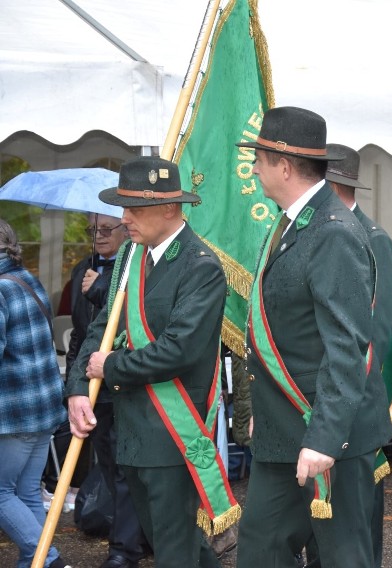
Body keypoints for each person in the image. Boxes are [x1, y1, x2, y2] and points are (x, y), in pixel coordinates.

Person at [234, 106, 392, 567]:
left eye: (259, 160)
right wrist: (263, 408)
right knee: (261, 548)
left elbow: (347, 348)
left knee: (343, 556)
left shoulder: (332, 231)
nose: (254, 169)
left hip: (327, 433)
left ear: (284, 166)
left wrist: (324, 437)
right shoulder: (291, 223)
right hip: (283, 424)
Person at [66, 157, 235, 568]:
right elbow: (100, 328)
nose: (124, 220)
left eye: (133, 210)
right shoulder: (130, 257)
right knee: (168, 540)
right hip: (131, 429)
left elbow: (179, 349)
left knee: (174, 548)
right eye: (122, 209)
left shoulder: (201, 266)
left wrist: (111, 368)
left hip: (172, 432)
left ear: (169, 208)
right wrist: (76, 390)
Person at [326, 143, 392, 568]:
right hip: (329, 395)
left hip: (359, 395)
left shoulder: (373, 240)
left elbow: (375, 333)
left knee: (357, 517)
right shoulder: (329, 233)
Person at [66, 213, 148, 568]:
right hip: (93, 382)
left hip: (124, 380)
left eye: (105, 229)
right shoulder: (82, 268)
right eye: (92, 230)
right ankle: (132, 534)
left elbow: (131, 317)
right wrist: (73, 383)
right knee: (108, 462)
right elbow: (81, 331)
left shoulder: (137, 261)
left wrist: (101, 288)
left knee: (125, 468)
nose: (98, 236)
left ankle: (125, 548)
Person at [0, 219, 71, 568]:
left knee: (0, 494)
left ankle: (52, 561)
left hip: (14, 414)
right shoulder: (28, 279)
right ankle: (38, 561)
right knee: (27, 492)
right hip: (44, 409)